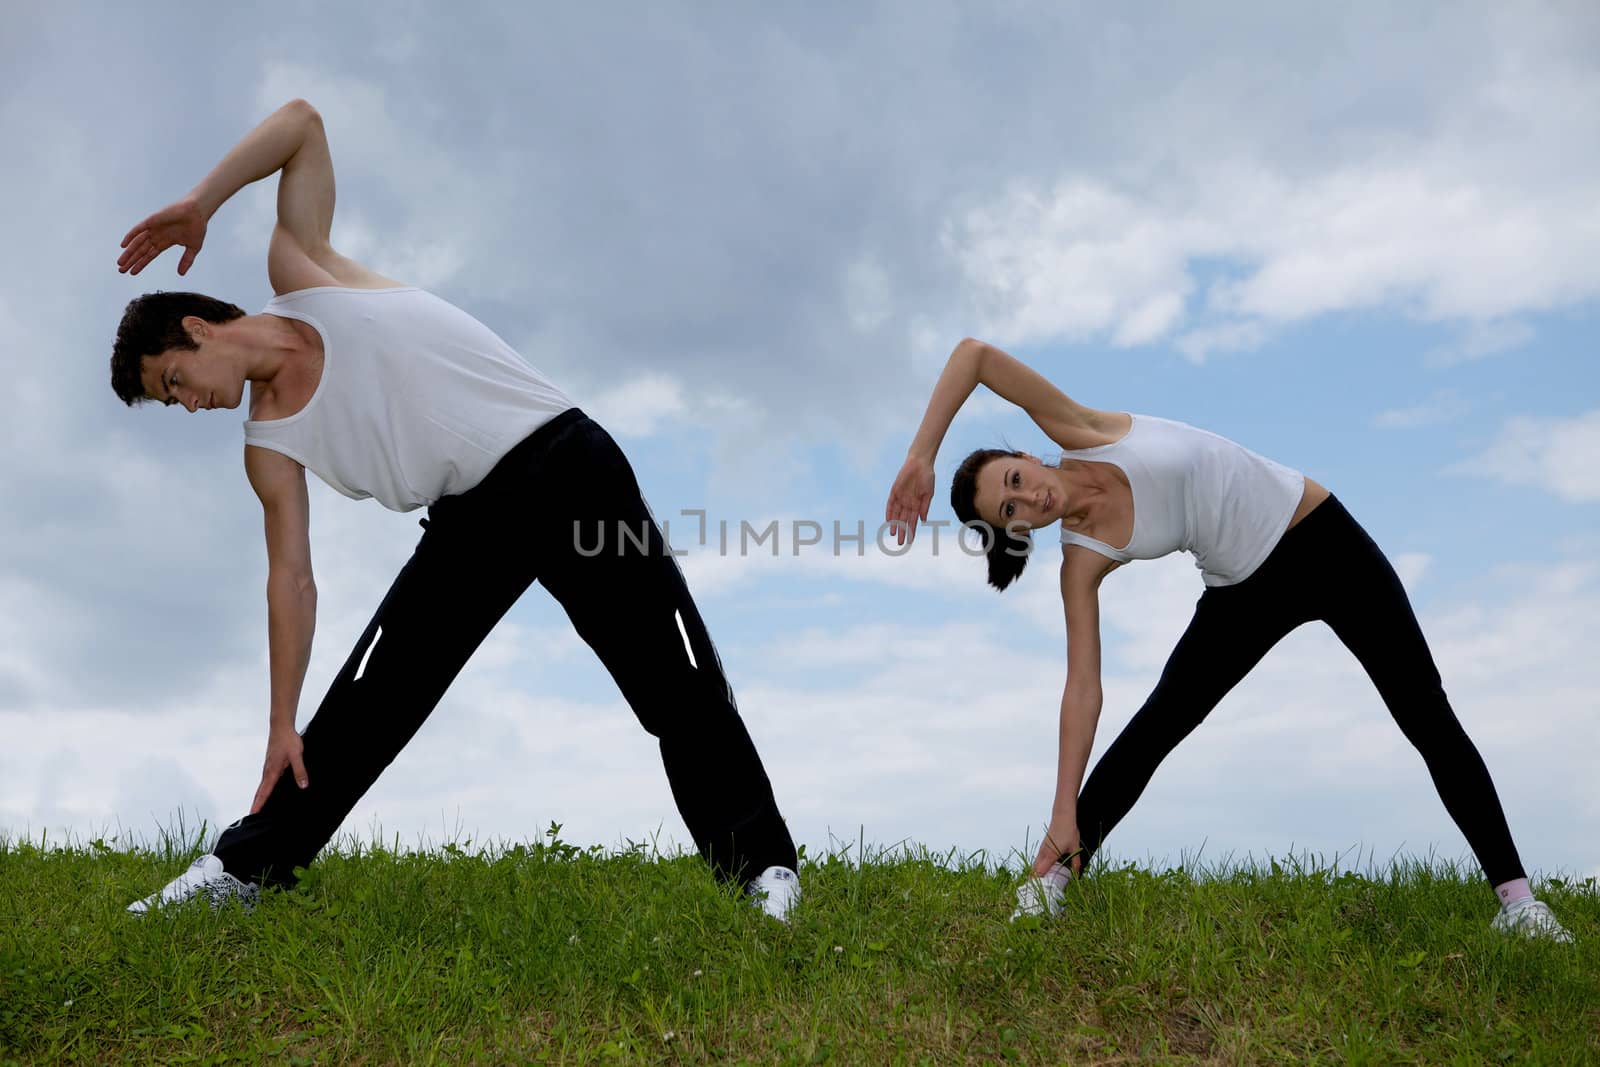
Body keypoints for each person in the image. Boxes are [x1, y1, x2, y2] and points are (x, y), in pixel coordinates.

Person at [110, 99, 800, 919]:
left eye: (173, 383)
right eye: (171, 401)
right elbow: (290, 578)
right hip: (472, 518)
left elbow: (301, 124)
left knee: (673, 672)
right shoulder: (269, 444)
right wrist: (279, 720)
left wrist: (201, 202)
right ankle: (241, 872)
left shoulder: (302, 273)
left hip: (565, 459)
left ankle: (762, 869)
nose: (186, 405)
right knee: (367, 701)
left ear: (196, 330)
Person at [884, 337, 1572, 941]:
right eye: (1010, 511)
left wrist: (922, 456)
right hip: (1242, 591)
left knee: (1424, 709)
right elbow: (1083, 688)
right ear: (1018, 531)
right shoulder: (1080, 559)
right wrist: (1062, 807)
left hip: (1322, 538)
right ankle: (1050, 883)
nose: (1027, 498)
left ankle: (1518, 901)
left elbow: (973, 355)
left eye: (1015, 480)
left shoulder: (1083, 427)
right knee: (1158, 723)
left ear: (1026, 456)